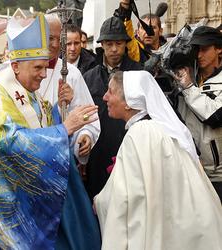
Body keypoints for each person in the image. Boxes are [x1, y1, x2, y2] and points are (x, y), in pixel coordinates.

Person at [0, 15, 101, 250]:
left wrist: (62, 111)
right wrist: (64, 129)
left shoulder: (26, 88)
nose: (44, 75)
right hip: (5, 200)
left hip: (25, 196)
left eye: (45, 67)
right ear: (15, 66)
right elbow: (9, 142)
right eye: (38, 68)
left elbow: (41, 122)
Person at [94, 70, 222, 250]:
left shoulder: (140, 134)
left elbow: (126, 196)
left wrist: (100, 201)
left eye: (111, 92)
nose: (105, 97)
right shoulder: (164, 129)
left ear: (130, 102)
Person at [83, 16, 143, 200]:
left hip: (130, 148)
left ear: (126, 44)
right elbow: (84, 113)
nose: (114, 49)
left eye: (119, 43)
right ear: (101, 44)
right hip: (98, 153)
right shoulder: (88, 76)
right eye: (109, 44)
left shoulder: (138, 74)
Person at [39, 14, 100, 167]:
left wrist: (85, 134)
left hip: (61, 157)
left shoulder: (71, 73)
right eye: (49, 38)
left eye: (58, 39)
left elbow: (87, 113)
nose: (54, 45)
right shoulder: (19, 70)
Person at [174, 25, 222, 201]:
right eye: (196, 50)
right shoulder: (189, 76)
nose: (199, 55)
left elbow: (215, 117)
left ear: (219, 48)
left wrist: (188, 88)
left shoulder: (189, 84)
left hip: (217, 175)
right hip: (190, 168)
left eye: (204, 49)